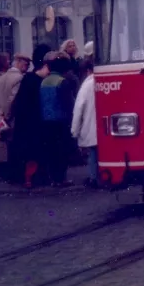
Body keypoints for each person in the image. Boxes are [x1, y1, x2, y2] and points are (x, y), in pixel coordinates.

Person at [11, 44, 52, 187]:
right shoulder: (38, 81)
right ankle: (32, 178)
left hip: (25, 122)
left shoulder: (27, 78)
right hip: (35, 122)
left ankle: (28, 178)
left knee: (28, 152)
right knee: (34, 152)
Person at [39, 52, 78, 186]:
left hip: (46, 120)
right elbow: (68, 102)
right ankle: (62, 178)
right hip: (61, 120)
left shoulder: (44, 81)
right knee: (62, 150)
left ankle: (54, 178)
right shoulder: (62, 81)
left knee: (51, 150)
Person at [0, 53, 31, 182]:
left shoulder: (1, 78)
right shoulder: (19, 79)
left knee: (1, 147)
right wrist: (7, 116)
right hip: (12, 119)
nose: (27, 67)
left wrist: (0, 115)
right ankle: (11, 175)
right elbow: (12, 100)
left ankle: (0, 175)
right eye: (26, 64)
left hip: (0, 120)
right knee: (11, 146)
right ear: (18, 62)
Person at [71, 57, 97, 187]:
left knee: (93, 154)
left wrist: (74, 131)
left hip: (90, 128)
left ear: (87, 71)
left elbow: (78, 109)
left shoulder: (86, 85)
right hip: (105, 129)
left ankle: (94, 178)